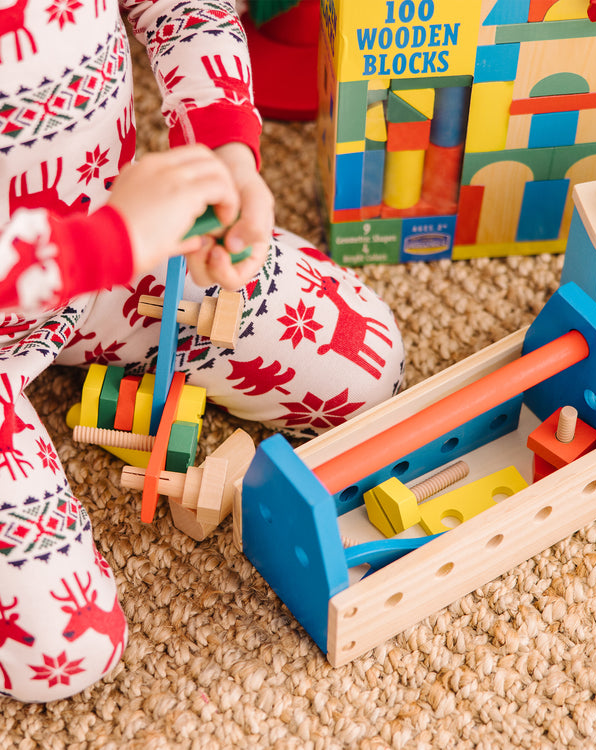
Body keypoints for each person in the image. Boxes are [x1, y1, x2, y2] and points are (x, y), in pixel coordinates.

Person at [0, 1, 404, 702]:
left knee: (368, 369)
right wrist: (107, 243)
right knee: (62, 649)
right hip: (106, 245)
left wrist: (225, 147)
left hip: (121, 249)